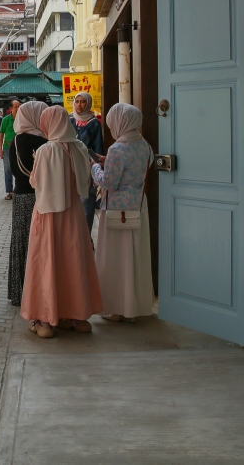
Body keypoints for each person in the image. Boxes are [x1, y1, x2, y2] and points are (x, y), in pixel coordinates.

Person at [21, 105, 103, 338]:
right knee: (73, 262)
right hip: (74, 213)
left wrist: (37, 161)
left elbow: (35, 182)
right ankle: (77, 317)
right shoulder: (79, 146)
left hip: (49, 214)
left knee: (48, 262)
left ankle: (45, 321)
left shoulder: (46, 150)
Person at [91, 103, 154, 323]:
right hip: (138, 208)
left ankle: (116, 308)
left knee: (115, 260)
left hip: (117, 211)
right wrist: (107, 164)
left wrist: (94, 167)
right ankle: (135, 307)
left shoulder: (116, 149)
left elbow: (108, 182)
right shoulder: (145, 145)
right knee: (135, 258)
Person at [7, 101, 48, 306]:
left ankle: (19, 290)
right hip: (42, 197)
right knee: (39, 244)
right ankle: (39, 290)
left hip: (21, 195)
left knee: (21, 241)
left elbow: (14, 171)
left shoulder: (15, 140)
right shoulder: (45, 142)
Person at [70, 92, 103, 232]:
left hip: (87, 169)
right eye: (77, 101)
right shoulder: (70, 120)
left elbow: (97, 149)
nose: (79, 105)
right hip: (71, 168)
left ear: (88, 103)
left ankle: (86, 240)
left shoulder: (94, 123)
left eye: (83, 102)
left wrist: (96, 170)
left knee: (86, 205)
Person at [0, 99, 20, 200]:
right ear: (10, 109)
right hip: (7, 148)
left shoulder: (23, 119)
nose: (18, 108)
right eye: (16, 107)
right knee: (7, 169)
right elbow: (1, 134)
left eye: (19, 106)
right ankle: (10, 192)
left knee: (19, 169)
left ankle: (18, 190)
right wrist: (0, 150)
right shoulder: (5, 120)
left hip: (19, 148)